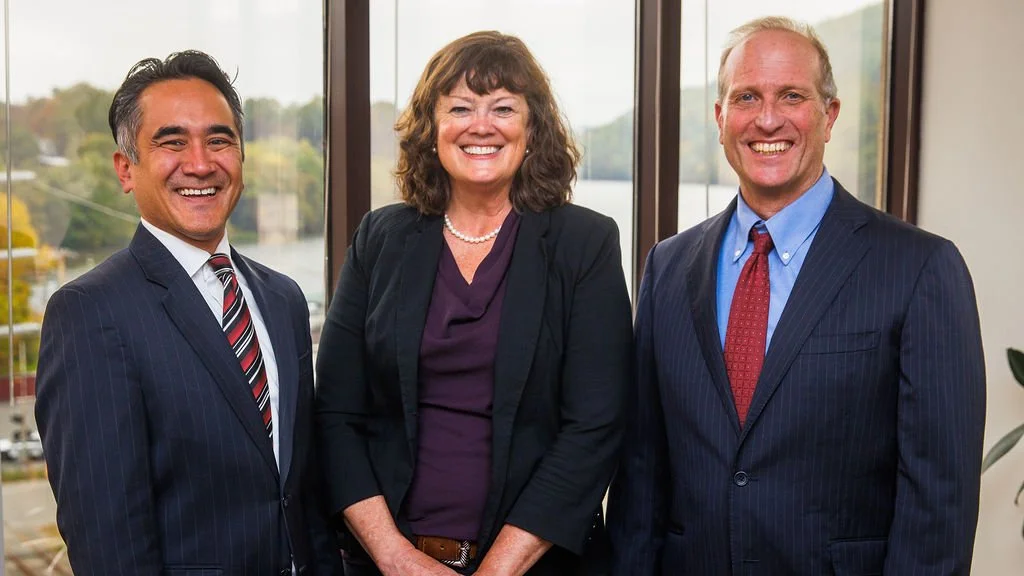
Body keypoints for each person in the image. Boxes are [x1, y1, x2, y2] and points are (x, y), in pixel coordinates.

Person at [608, 16, 985, 575]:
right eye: (746, 97)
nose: (767, 118)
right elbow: (641, 478)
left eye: (791, 95)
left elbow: (938, 504)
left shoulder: (920, 268)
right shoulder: (667, 267)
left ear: (829, 115)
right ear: (720, 117)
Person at [315, 31, 632, 576]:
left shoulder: (585, 243)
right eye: (460, 108)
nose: (480, 125)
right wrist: (395, 558)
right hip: (386, 563)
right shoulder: (379, 238)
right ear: (431, 127)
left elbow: (594, 426)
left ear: (532, 128)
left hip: (534, 566)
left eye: (503, 108)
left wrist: (497, 570)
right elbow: (337, 415)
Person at [35, 50, 343, 575]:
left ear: (241, 157)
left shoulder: (283, 299)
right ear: (125, 169)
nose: (200, 163)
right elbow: (109, 543)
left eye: (219, 141)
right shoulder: (89, 314)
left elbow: (303, 493)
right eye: (172, 142)